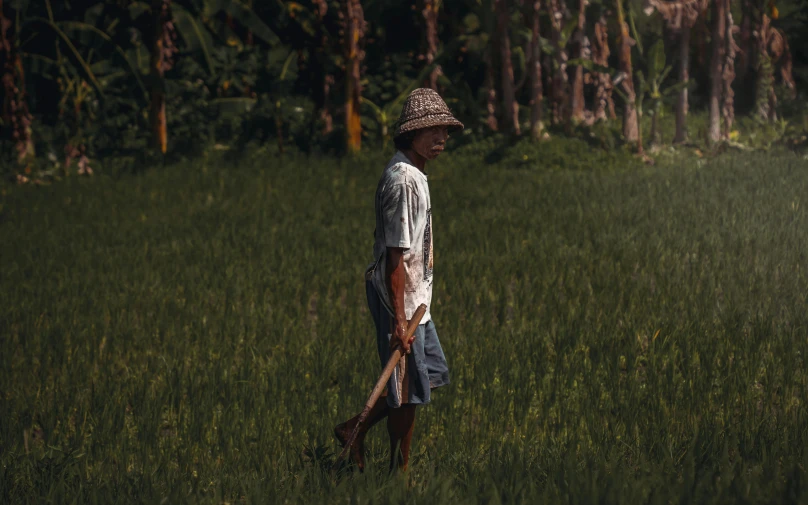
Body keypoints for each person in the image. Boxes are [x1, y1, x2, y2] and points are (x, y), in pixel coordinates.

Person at [334, 88, 464, 473]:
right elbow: (395, 254)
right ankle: (398, 474)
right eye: (432, 130)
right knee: (407, 393)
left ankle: (353, 429)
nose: (441, 138)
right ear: (412, 134)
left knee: (428, 378)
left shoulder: (416, 173)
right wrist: (398, 317)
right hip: (401, 298)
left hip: (415, 297)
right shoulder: (403, 180)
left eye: (445, 130)